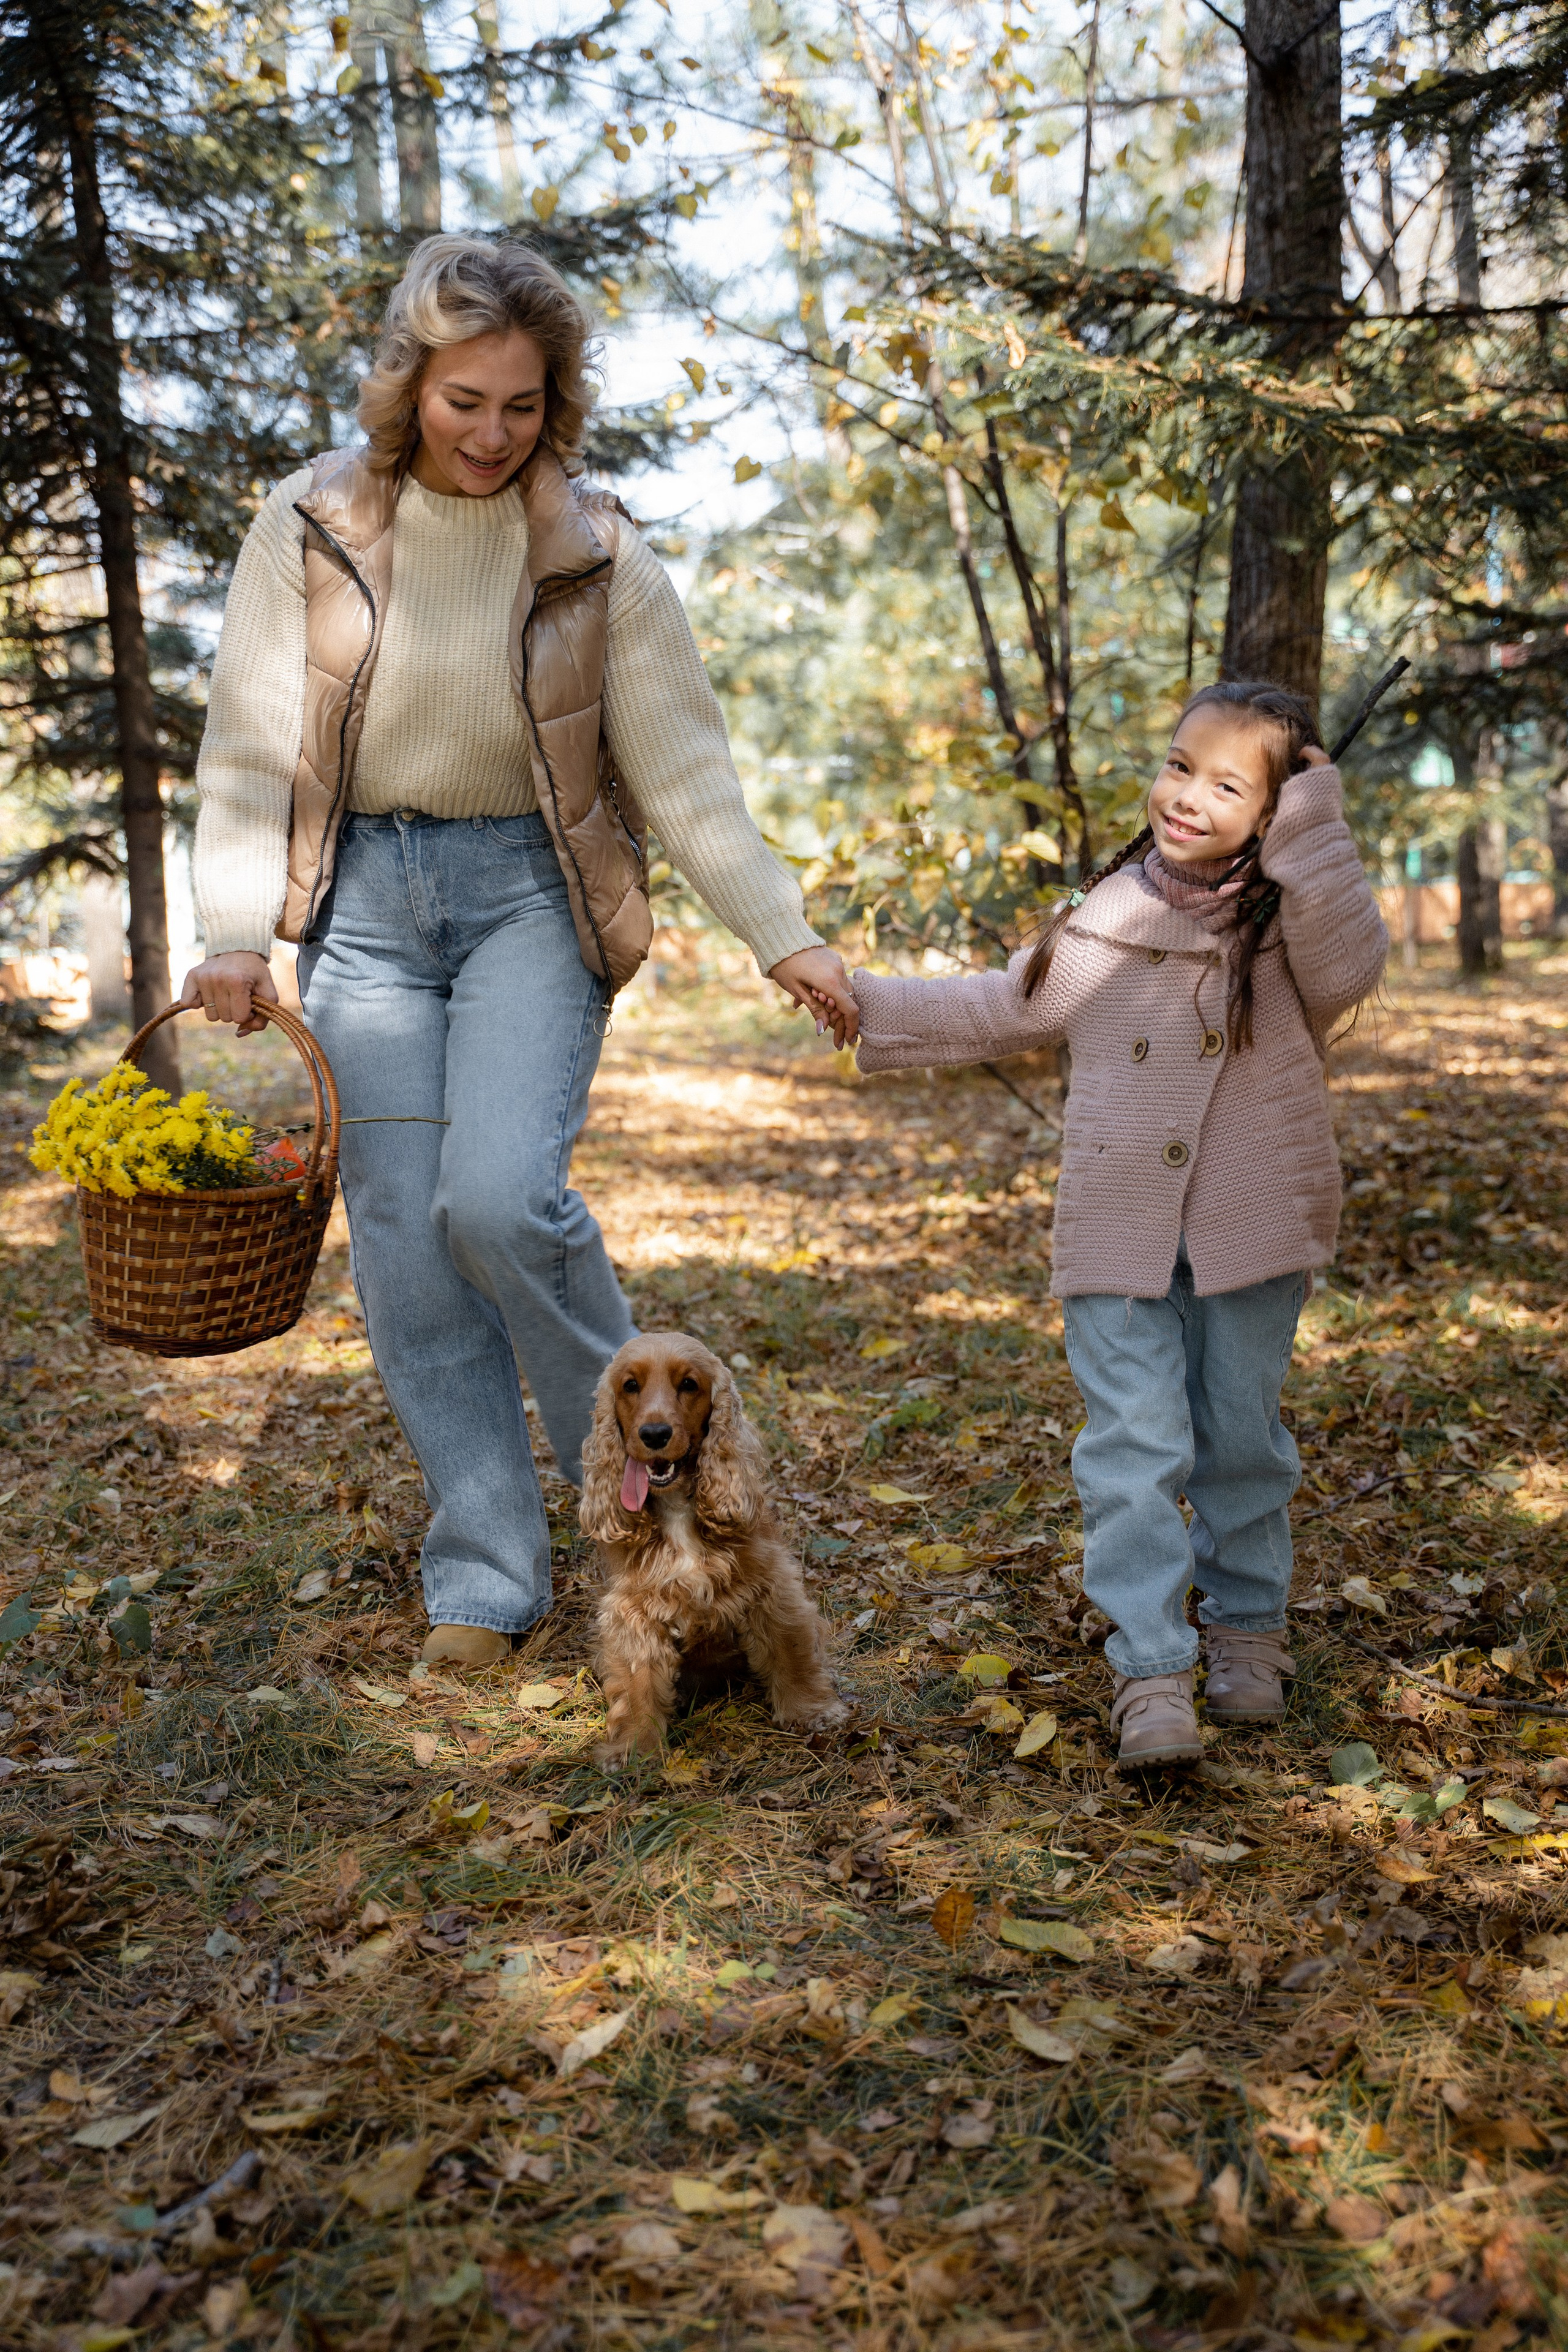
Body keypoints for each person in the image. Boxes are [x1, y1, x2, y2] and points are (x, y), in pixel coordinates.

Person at [184, 234, 858, 1669]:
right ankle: (487, 1578)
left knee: (494, 1200)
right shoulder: (306, 521)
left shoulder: (601, 552)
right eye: (462, 401)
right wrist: (235, 932)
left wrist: (779, 933)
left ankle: (677, 1509)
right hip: (365, 897)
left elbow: (679, 769)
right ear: (407, 387)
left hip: (529, 898)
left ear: (559, 404)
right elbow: (245, 739)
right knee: (413, 1259)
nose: (492, 434)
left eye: (523, 405)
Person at [851, 681, 1388, 1765]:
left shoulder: (1291, 928)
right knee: (1132, 1449)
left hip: (1253, 1221)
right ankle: (1150, 1670)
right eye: (1180, 764)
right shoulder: (1111, 914)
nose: (1187, 795)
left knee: (1239, 1440)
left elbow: (1356, 968)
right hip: (1117, 1227)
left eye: (1230, 785)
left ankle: (1246, 1630)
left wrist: (1314, 822)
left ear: (1281, 813)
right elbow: (1003, 1005)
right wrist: (860, 1000)